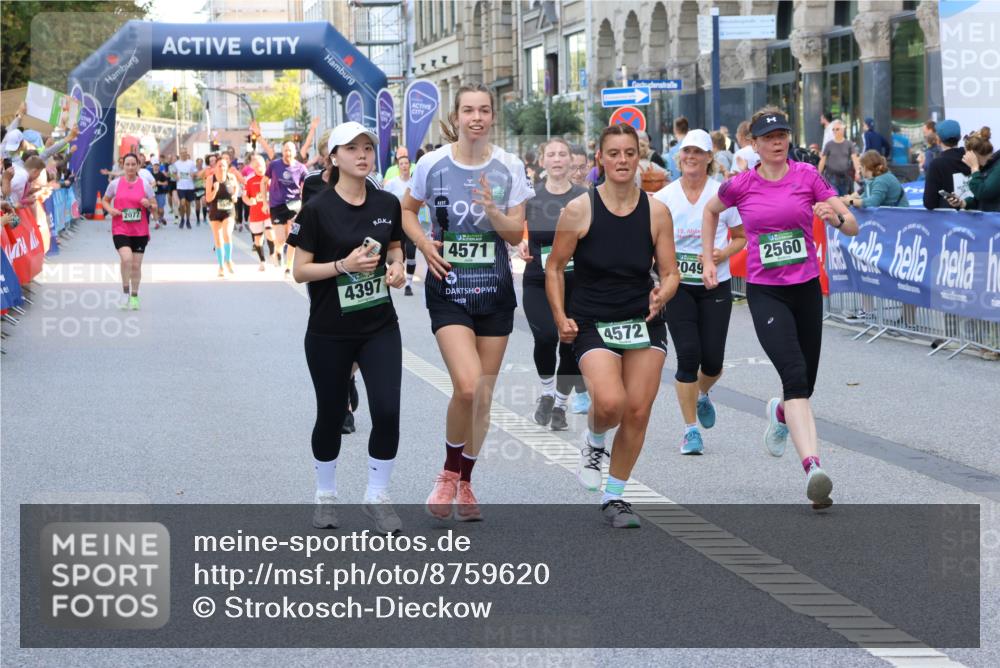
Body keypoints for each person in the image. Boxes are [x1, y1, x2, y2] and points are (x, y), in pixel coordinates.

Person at [701, 106, 859, 510]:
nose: (777, 142)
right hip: (766, 292)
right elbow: (711, 211)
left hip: (805, 288)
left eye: (782, 135)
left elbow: (852, 223)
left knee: (805, 383)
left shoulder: (807, 176)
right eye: (768, 137)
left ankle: (782, 414)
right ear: (753, 144)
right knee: (793, 375)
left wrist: (834, 218)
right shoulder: (742, 184)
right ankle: (813, 468)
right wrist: (707, 258)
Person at [402, 83, 534, 522]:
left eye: (483, 110)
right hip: (449, 290)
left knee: (483, 396)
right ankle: (446, 472)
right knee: (467, 385)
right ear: (455, 116)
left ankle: (466, 482)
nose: (476, 117)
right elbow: (407, 209)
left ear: (492, 116)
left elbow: (516, 235)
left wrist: (494, 212)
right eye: (468, 110)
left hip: (495, 292)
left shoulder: (510, 165)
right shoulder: (432, 164)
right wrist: (423, 243)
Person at [545, 123, 679, 528]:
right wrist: (559, 317)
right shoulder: (580, 209)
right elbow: (553, 268)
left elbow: (670, 273)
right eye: (614, 153)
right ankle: (595, 439)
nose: (622, 161)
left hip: (643, 320)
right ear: (600, 159)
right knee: (610, 403)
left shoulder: (657, 211)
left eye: (630, 153)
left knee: (637, 410)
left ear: (640, 157)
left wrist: (664, 293)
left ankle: (615, 496)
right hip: (592, 320)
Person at [289, 122, 407, 534]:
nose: (362, 154)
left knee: (388, 411)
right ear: (333, 157)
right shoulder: (317, 209)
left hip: (379, 326)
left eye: (368, 148)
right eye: (351, 148)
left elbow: (395, 249)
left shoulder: (387, 203)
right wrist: (343, 266)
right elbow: (300, 271)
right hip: (328, 330)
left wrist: (396, 270)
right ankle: (325, 495)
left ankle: (377, 496)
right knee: (330, 413)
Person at [654, 129, 745, 455]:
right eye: (686, 151)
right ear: (679, 156)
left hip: (714, 284)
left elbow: (740, 236)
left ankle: (703, 393)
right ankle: (690, 429)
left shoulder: (722, 193)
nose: (691, 157)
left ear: (709, 157)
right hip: (677, 286)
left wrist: (721, 254)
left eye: (698, 152)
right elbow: (652, 241)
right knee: (688, 354)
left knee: (714, 361)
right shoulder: (664, 197)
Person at [518, 138, 589, 431]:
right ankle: (547, 391)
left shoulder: (585, 198)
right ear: (543, 161)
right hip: (539, 279)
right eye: (552, 154)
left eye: (563, 154)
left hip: (576, 282)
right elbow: (516, 231)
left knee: (570, 342)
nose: (558, 159)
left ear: (571, 160)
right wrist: (520, 244)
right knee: (546, 336)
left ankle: (560, 404)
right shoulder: (531, 198)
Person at [102, 153, 155, 310]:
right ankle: (125, 292)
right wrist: (111, 210)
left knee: (136, 266)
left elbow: (154, 206)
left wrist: (148, 205)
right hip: (120, 228)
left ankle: (134, 296)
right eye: (127, 164)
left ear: (138, 166)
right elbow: (104, 200)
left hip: (140, 230)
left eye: (133, 164)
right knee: (126, 259)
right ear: (123, 166)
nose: (131, 167)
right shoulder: (115, 184)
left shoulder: (144, 184)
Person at [263, 141, 309, 275]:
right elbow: (263, 182)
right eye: (285, 150)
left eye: (290, 150)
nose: (287, 153)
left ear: (294, 152)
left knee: (292, 237)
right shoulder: (274, 165)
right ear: (282, 151)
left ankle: (289, 267)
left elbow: (307, 186)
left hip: (294, 205)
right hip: (276, 205)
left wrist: (304, 203)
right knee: (280, 239)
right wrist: (265, 202)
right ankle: (277, 251)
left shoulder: (301, 168)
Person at [383, 147, 424, 296]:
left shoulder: (414, 183)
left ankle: (409, 283)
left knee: (412, 253)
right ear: (398, 166)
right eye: (402, 164)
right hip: (396, 224)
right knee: (398, 255)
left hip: (411, 223)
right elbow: (383, 201)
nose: (405, 166)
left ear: (409, 165)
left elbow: (422, 200)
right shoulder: (392, 183)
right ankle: (394, 272)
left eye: (407, 163)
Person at [946, 127, 1000, 212]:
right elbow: (981, 200)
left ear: (975, 154)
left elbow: (983, 192)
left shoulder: (997, 167)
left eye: (969, 155)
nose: (967, 158)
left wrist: (974, 168)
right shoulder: (988, 166)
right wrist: (962, 203)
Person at [205, 153, 240, 277]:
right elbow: (208, 199)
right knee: (218, 240)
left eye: (224, 166)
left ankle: (229, 260)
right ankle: (221, 266)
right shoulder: (210, 179)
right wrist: (214, 190)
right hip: (215, 213)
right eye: (219, 166)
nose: (222, 168)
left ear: (227, 166)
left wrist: (235, 195)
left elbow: (236, 188)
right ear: (215, 167)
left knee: (227, 234)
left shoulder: (231, 177)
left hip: (228, 211)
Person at [924, 119, 972, 210]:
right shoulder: (971, 157)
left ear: (938, 139)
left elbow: (929, 203)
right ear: (960, 137)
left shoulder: (936, 164)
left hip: (950, 221)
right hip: (977, 218)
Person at [843, 151, 909, 208]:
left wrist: (850, 201)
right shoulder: (875, 179)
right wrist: (849, 199)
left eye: (861, 166)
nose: (860, 169)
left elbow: (873, 202)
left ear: (866, 167)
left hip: (900, 216)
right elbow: (866, 197)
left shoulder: (881, 180)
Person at [241, 155, 272, 270]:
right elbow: (244, 197)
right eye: (257, 166)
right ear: (253, 167)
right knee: (258, 239)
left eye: (262, 165)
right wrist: (250, 201)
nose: (260, 168)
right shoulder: (249, 179)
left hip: (269, 212)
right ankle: (262, 261)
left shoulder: (270, 177)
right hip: (256, 213)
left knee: (270, 234)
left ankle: (273, 254)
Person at [818, 119, 860, 196]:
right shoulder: (829, 144)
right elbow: (822, 160)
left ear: (843, 129)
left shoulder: (849, 144)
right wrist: (818, 174)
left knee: (844, 198)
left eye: (837, 129)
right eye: (833, 129)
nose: (834, 131)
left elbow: (855, 159)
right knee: (834, 197)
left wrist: (857, 172)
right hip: (831, 176)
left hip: (845, 177)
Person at [173, 149, 197, 229]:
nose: (183, 154)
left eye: (185, 153)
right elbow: (173, 174)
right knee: (182, 203)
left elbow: (195, 173)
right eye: (182, 153)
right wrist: (176, 177)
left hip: (190, 187)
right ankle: (182, 219)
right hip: (180, 186)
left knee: (188, 205)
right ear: (180, 154)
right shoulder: (176, 164)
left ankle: (188, 220)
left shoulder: (191, 163)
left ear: (187, 153)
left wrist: (193, 175)